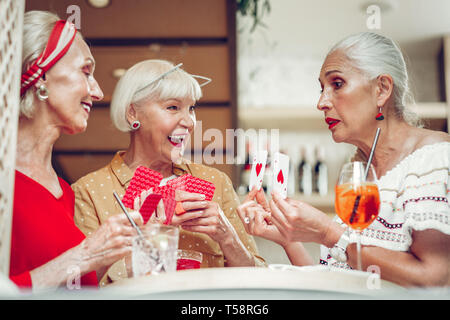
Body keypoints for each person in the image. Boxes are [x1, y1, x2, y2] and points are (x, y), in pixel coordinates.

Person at [237, 32, 450, 287]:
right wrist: (288, 238)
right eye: (322, 88)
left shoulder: (432, 158)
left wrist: (329, 233)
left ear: (381, 89)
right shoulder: (357, 171)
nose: (321, 102)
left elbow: (435, 279)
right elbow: (338, 285)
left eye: (337, 84)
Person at [72, 59, 265, 286]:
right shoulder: (89, 192)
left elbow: (261, 280)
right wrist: (148, 242)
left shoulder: (216, 182)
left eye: (191, 108)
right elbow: (79, 289)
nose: (189, 121)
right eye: (173, 107)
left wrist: (228, 238)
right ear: (133, 113)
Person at [10, 11, 143, 290]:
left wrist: (107, 254)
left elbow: (71, 287)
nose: (97, 92)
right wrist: (86, 254)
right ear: (41, 73)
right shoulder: (5, 183)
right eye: (85, 71)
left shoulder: (65, 191)